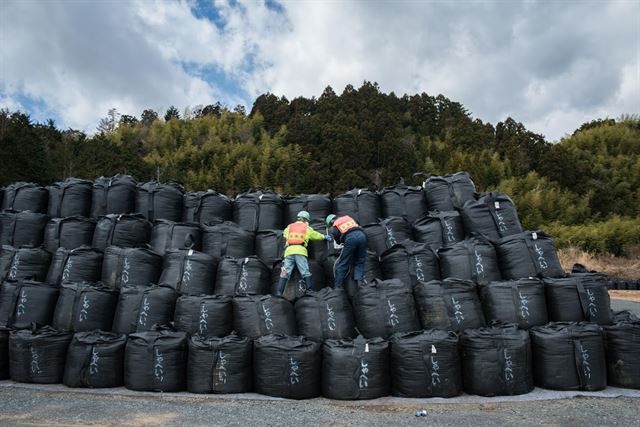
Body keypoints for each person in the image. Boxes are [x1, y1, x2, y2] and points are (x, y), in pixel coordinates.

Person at [277, 210, 331, 296]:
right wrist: (324, 236)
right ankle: (309, 290)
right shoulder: (307, 228)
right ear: (306, 220)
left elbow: (284, 235)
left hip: (289, 251)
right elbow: (315, 235)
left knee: (285, 273)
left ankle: (279, 292)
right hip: (300, 251)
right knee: (305, 271)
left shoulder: (289, 226)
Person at [325, 214, 368, 289]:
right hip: (362, 236)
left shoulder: (335, 226)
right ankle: (359, 283)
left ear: (331, 222)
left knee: (342, 264)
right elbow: (358, 224)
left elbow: (338, 240)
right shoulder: (348, 217)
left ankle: (337, 288)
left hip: (350, 238)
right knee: (360, 261)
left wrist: (342, 243)